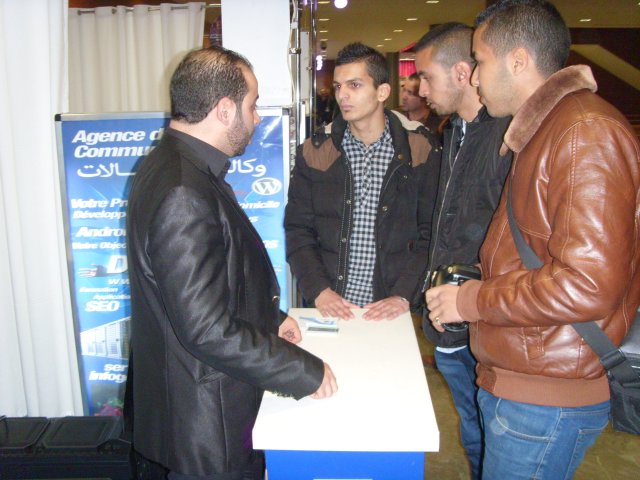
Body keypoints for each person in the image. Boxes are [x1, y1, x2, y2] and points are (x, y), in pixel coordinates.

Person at [425, 1, 640, 479]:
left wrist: (471, 299)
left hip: (547, 395)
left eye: (480, 61)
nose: (474, 77)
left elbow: (588, 284)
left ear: (518, 61)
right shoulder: (547, 129)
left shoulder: (584, 131)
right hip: (527, 380)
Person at [126, 46, 337, 480]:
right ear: (224, 110)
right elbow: (205, 329)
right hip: (206, 425)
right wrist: (301, 370)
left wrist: (269, 319)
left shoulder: (175, 166)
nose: (257, 118)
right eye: (252, 105)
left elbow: (211, 283)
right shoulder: (183, 189)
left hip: (203, 408)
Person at [414, 22, 512, 480]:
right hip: (449, 320)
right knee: (474, 433)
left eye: (426, 76)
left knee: (496, 441)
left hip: (489, 323)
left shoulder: (510, 136)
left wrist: (473, 298)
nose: (420, 88)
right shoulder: (453, 131)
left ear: (460, 72)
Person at [285, 42, 440, 321]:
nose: (342, 95)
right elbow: (298, 229)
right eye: (338, 86)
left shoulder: (420, 150)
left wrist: (403, 294)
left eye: (354, 85)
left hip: (391, 307)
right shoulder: (315, 151)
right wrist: (319, 291)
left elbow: (430, 233)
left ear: (382, 91)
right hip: (330, 305)